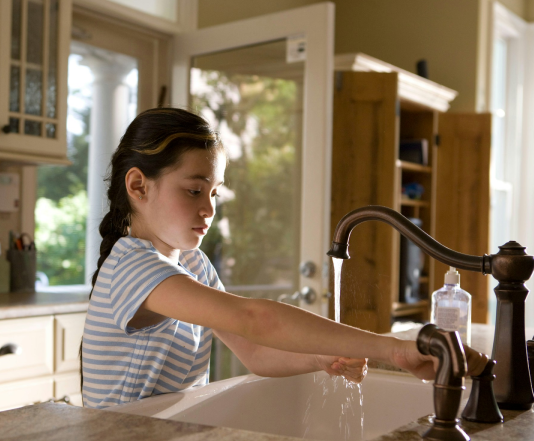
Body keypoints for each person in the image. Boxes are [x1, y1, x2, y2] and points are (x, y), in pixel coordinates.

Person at [81, 107, 488, 409]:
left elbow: (254, 350)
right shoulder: (131, 267)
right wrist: (394, 349)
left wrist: (319, 356)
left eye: (215, 193)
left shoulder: (192, 264)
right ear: (138, 185)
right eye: (193, 190)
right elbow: (255, 319)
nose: (209, 208)